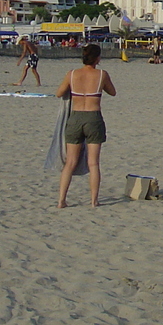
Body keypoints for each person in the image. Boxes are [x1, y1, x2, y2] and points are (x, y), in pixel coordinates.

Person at [56, 43, 116, 208]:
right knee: (93, 162)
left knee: (70, 162)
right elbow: (112, 92)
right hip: (93, 117)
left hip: (75, 117)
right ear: (98, 58)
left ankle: (61, 200)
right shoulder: (102, 74)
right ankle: (93, 200)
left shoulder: (72, 74)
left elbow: (59, 93)